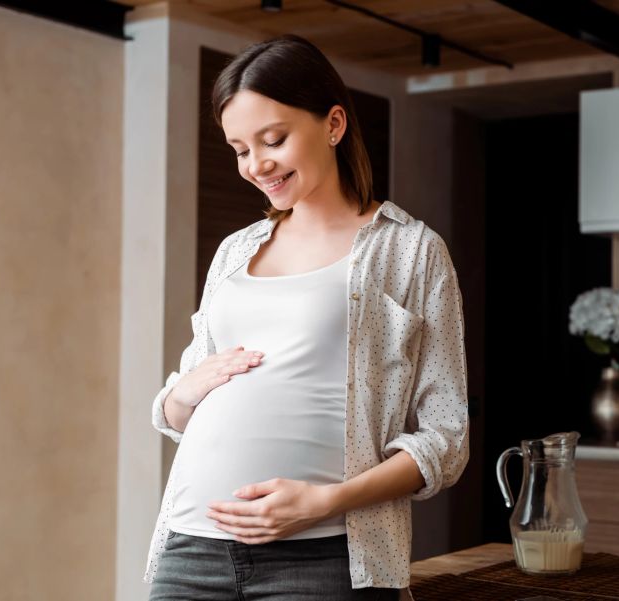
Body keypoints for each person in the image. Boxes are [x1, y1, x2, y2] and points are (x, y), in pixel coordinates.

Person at [143, 33, 470, 600]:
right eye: (240, 149)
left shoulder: (411, 250)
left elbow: (445, 437)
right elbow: (179, 408)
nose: (256, 164)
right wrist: (180, 393)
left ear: (334, 125)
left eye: (274, 140)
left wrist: (323, 502)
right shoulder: (235, 250)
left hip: (324, 554)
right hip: (191, 544)